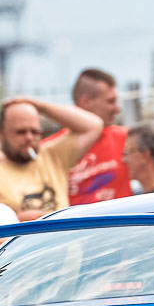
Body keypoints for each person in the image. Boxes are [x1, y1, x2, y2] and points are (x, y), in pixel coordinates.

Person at [0, 95, 104, 219]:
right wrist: (17, 220)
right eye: (20, 132)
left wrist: (40, 106)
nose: (29, 138)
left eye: (35, 132)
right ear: (0, 134)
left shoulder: (52, 156)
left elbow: (94, 125)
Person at [48, 69, 132, 206]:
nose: (117, 109)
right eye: (110, 101)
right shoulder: (51, 148)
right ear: (85, 102)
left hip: (121, 219)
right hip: (76, 220)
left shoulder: (126, 139)